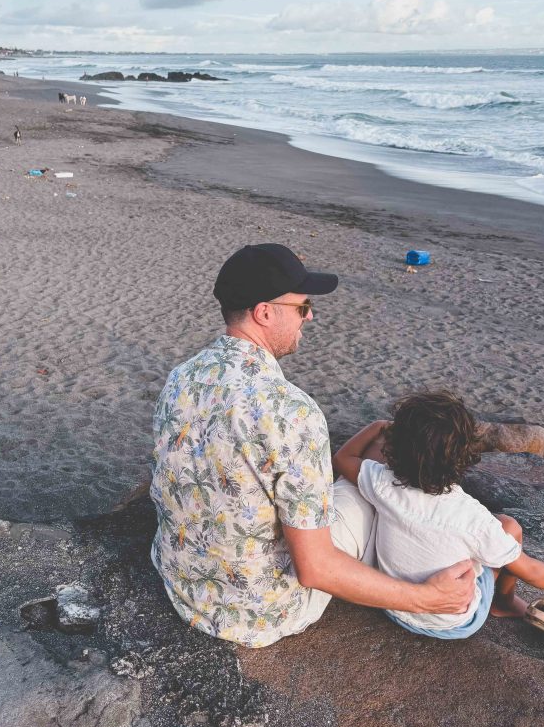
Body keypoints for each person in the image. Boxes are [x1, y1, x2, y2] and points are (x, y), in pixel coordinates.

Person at [150, 244, 476, 648]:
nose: (310, 315)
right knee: (367, 495)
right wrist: (426, 598)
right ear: (265, 312)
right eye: (303, 306)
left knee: (351, 484)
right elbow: (316, 569)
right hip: (257, 611)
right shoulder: (293, 412)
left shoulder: (181, 377)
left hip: (183, 581)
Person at [333, 390, 544, 639]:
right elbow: (531, 570)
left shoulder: (383, 483)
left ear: (395, 447)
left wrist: (377, 426)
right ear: (465, 456)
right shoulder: (473, 519)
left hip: (395, 605)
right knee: (509, 526)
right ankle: (503, 603)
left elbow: (343, 457)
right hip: (452, 622)